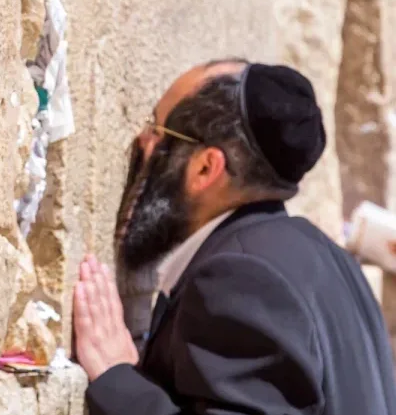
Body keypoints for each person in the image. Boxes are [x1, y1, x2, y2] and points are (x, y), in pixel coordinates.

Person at [73, 59, 396, 415]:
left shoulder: (239, 278)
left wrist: (117, 378)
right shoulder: (337, 262)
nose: (143, 141)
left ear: (205, 168)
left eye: (157, 128)